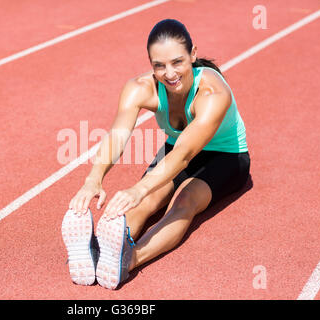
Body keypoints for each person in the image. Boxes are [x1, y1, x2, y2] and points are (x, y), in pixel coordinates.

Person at [61, 19, 250, 290]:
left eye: (177, 62)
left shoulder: (212, 93)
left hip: (227, 157)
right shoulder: (140, 87)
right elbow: (117, 136)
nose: (169, 74)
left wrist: (138, 187)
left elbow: (185, 155)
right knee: (144, 200)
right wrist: (94, 178)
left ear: (193, 54)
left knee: (184, 199)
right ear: (150, 64)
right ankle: (101, 251)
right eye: (159, 65)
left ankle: (127, 260)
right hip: (177, 148)